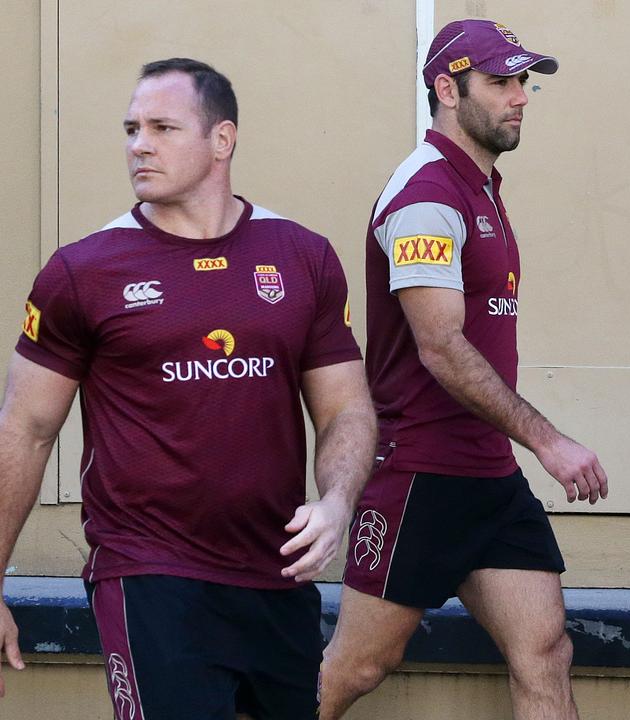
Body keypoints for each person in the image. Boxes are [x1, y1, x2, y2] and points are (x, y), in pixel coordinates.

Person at [0, 58, 376, 717]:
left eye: (162, 127)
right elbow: (25, 430)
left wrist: (337, 502)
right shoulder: (83, 272)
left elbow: (346, 408)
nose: (138, 144)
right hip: (149, 573)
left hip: (276, 574)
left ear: (222, 140)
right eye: (131, 128)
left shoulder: (300, 256)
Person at [319, 19, 608, 720]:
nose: (520, 97)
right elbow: (440, 346)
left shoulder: (479, 188)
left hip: (487, 477)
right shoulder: (425, 195)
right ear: (446, 89)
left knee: (543, 652)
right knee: (357, 667)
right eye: (500, 82)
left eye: (522, 82)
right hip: (419, 472)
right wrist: (547, 440)